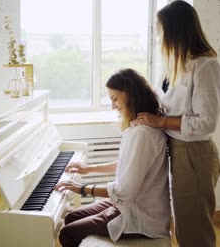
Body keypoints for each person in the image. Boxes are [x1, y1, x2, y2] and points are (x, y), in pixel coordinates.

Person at [133, 0, 220, 247]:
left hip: (194, 155)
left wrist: (160, 121)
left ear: (175, 31)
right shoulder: (173, 65)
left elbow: (206, 122)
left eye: (159, 30)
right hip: (177, 149)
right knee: (183, 225)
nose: (157, 36)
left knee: (194, 229)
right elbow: (166, 105)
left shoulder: (206, 67)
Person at [54, 68, 171, 247]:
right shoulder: (137, 127)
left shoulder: (143, 133)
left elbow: (125, 190)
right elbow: (128, 165)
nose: (112, 105)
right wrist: (89, 169)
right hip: (127, 204)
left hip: (140, 215)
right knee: (71, 217)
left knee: (67, 234)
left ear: (131, 96)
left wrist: (83, 189)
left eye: (115, 99)